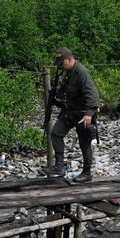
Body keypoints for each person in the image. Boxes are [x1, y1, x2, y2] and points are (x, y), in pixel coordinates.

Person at [42, 47, 100, 183]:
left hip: (83, 113)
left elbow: (92, 95)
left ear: (69, 59)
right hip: (70, 111)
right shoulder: (67, 73)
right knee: (56, 133)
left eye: (62, 63)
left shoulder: (82, 73)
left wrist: (89, 114)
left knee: (84, 143)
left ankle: (86, 173)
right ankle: (59, 167)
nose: (60, 66)